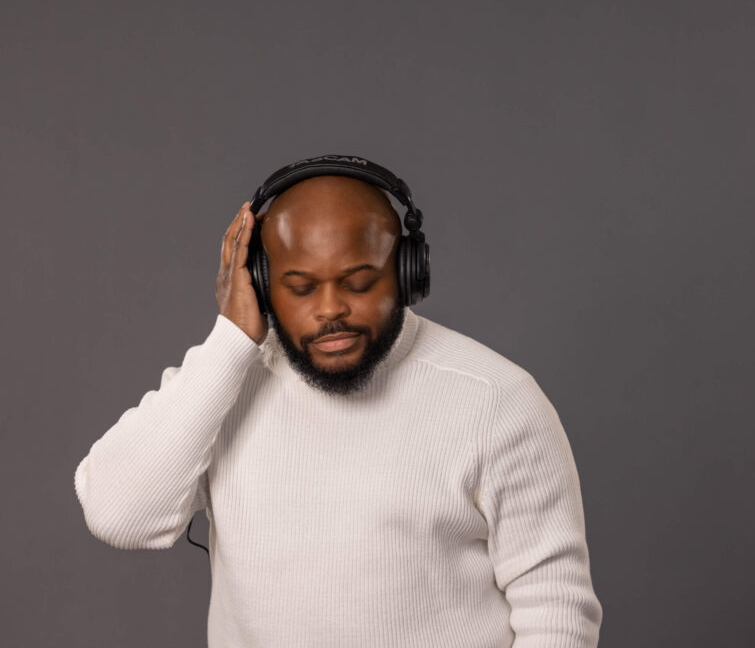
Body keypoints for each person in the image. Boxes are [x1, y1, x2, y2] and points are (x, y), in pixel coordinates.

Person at [74, 156, 603, 647]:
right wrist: (229, 341)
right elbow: (121, 515)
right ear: (259, 283)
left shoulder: (495, 400)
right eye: (300, 288)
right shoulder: (220, 388)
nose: (331, 310)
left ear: (408, 273)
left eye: (359, 282)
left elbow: (555, 610)